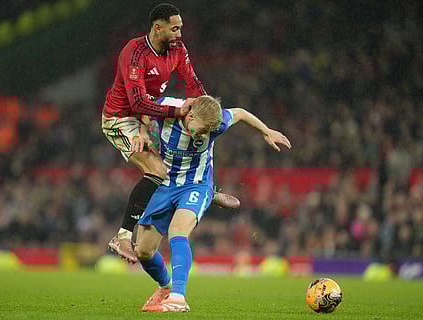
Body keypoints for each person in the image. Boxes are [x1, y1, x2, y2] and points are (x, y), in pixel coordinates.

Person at [102, 4, 239, 264]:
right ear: (158, 28)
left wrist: (206, 111)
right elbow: (138, 102)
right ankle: (121, 236)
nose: (179, 33)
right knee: (156, 170)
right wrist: (176, 111)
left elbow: (194, 85)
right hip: (122, 118)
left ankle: (203, 188)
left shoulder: (177, 50)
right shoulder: (134, 53)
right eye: (175, 28)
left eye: (181, 28)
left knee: (193, 136)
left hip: (148, 116)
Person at [133, 95, 292, 312]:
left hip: (195, 185)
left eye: (206, 133)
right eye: (198, 130)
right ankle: (167, 287)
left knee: (177, 230)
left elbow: (241, 112)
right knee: (143, 251)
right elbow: (143, 107)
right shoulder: (167, 107)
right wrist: (143, 132)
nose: (201, 135)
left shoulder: (219, 122)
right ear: (189, 114)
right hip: (165, 184)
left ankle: (178, 298)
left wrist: (266, 131)